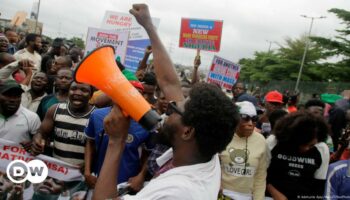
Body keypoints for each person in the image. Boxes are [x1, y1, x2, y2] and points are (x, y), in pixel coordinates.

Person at [93, 4, 240, 200]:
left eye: (173, 109)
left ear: (187, 132)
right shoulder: (204, 154)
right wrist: (149, 26)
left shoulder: (176, 193)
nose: (167, 110)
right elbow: (170, 84)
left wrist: (116, 141)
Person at [266, 112, 330, 200]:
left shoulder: (322, 148)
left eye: (311, 145)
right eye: (302, 144)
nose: (306, 148)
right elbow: (260, 174)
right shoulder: (274, 142)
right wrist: (275, 194)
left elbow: (318, 185)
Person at [31, 82, 95, 165]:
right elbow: (41, 133)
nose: (78, 93)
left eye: (84, 90)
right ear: (68, 91)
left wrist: (88, 165)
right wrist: (37, 140)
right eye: (73, 89)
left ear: (91, 95)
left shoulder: (96, 116)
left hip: (81, 173)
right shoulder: (55, 110)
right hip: (56, 170)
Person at [220, 101, 267, 200]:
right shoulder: (223, 136)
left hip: (247, 196)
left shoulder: (261, 140)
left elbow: (260, 176)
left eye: (254, 119)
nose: (250, 123)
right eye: (245, 118)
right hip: (221, 194)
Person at [0, 80, 41, 144]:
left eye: (17, 96)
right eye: (8, 95)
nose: (12, 100)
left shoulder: (32, 117)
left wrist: (34, 146)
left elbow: (37, 142)